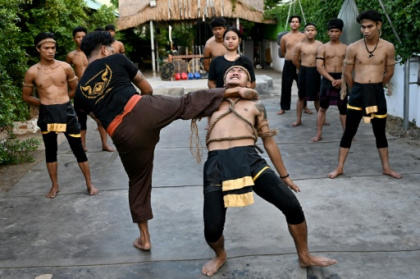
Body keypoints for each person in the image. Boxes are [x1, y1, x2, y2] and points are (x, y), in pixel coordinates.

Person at [74, 31, 259, 252]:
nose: (114, 51)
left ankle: (144, 238)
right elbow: (147, 89)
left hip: (122, 134)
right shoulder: (116, 59)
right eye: (112, 48)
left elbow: (98, 120)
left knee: (138, 181)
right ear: (104, 49)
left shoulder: (78, 94)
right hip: (142, 109)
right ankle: (231, 93)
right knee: (185, 103)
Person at [201, 65, 337, 276]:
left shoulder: (256, 106)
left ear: (249, 82)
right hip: (217, 163)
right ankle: (220, 255)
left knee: (291, 205)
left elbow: (269, 142)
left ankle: (304, 255)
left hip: (250, 158)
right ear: (223, 81)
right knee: (212, 228)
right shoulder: (210, 101)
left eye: (241, 72)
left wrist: (285, 176)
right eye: (230, 72)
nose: (234, 72)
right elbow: (189, 101)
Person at [22, 32, 99, 199]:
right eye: (46, 48)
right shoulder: (32, 72)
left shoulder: (65, 67)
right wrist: (43, 103)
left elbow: (75, 89)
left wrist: (64, 101)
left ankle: (89, 183)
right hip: (47, 113)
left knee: (78, 149)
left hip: (66, 111)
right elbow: (26, 96)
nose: (51, 51)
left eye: (53, 48)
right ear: (38, 49)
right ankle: (54, 186)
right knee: (51, 151)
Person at [328, 10, 402, 179]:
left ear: (379, 25)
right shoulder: (353, 47)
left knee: (379, 132)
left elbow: (389, 72)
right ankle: (339, 167)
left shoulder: (388, 47)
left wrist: (376, 87)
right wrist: (356, 90)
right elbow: (347, 73)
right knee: (349, 131)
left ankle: (386, 167)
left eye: (370, 27)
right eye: (363, 27)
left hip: (376, 91)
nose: (366, 30)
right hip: (357, 91)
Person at [66, 26, 114, 152]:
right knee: (81, 120)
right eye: (78, 37)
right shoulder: (71, 56)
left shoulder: (94, 52)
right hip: (79, 91)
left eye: (83, 36)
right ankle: (82, 145)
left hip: (95, 90)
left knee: (100, 119)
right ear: (74, 39)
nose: (81, 39)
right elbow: (66, 72)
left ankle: (105, 144)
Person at [311, 19, 348, 142]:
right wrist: (333, 80)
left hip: (342, 79)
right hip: (328, 79)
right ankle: (319, 134)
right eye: (331, 31)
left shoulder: (347, 48)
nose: (334, 34)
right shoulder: (323, 48)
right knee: (322, 108)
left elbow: (351, 67)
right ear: (328, 32)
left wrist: (342, 80)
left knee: (343, 109)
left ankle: (347, 134)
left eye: (336, 31)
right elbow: (319, 67)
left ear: (341, 33)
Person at [278, 16, 312, 115]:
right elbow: (283, 51)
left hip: (301, 64)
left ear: (299, 24)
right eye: (293, 22)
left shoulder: (304, 36)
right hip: (288, 64)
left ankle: (304, 106)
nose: (294, 23)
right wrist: (290, 58)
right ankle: (283, 107)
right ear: (290, 23)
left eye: (297, 22)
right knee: (285, 86)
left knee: (302, 86)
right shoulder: (284, 37)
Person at [292, 23, 323, 127]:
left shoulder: (320, 45)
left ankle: (321, 119)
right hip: (304, 71)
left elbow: (324, 59)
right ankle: (298, 119)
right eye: (308, 30)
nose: (310, 32)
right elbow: (295, 59)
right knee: (301, 96)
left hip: (315, 71)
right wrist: (301, 68)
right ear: (304, 32)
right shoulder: (299, 45)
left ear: (316, 32)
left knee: (317, 96)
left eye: (312, 30)